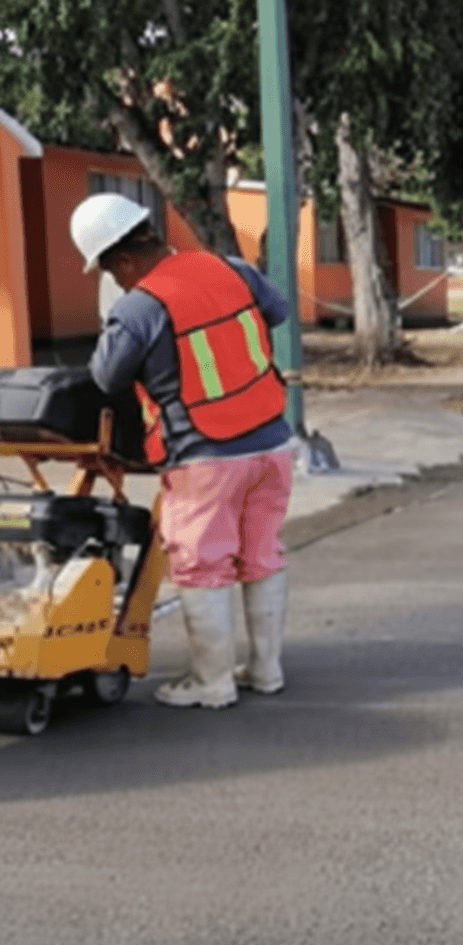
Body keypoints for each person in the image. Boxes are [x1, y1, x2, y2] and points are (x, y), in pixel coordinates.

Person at [69, 192, 294, 710]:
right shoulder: (231, 268)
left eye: (109, 270)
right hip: (272, 445)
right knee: (261, 554)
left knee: (201, 566)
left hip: (204, 455)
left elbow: (106, 377)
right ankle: (266, 670)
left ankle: (212, 682)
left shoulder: (140, 307)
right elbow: (277, 311)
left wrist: (117, 319)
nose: (114, 280)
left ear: (125, 259)